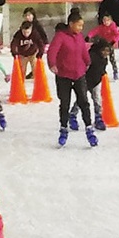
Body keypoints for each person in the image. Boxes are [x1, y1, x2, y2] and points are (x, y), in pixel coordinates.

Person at [46, 13, 93, 148]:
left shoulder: (79, 37)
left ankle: (89, 128)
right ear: (71, 24)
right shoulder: (61, 36)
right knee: (65, 103)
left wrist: (87, 61)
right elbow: (52, 51)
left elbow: (83, 50)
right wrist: (52, 64)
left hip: (79, 74)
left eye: (82, 25)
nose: (80, 28)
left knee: (84, 102)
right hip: (64, 75)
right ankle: (63, 128)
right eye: (79, 25)